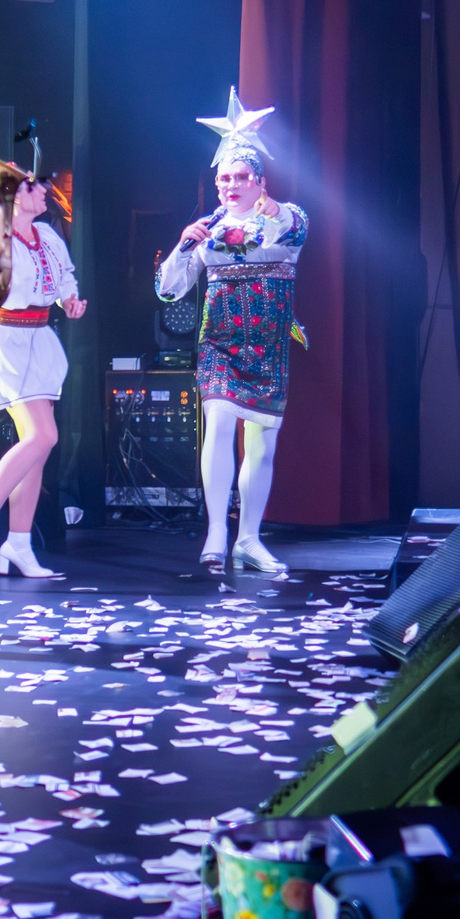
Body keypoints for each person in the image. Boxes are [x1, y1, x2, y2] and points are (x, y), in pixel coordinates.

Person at [155, 91, 307, 577]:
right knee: (219, 423)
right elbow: (168, 293)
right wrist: (183, 245)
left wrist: (254, 201)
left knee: (261, 444)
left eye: (241, 178)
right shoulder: (207, 231)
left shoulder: (287, 221)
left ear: (260, 182)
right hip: (219, 343)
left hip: (268, 346)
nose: (230, 186)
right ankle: (216, 531)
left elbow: (283, 229)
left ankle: (249, 538)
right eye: (223, 179)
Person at [0, 165, 85, 578]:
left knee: (40, 447)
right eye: (33, 187)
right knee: (43, 435)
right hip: (6, 340)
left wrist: (70, 302)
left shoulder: (46, 235)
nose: (44, 192)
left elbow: (64, 278)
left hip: (40, 337)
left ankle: (20, 542)